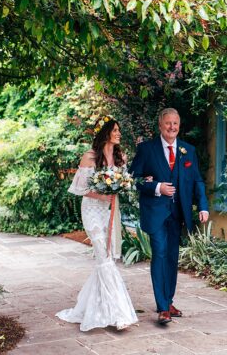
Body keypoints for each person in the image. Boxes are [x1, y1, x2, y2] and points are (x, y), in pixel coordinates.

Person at [56, 116, 138, 331]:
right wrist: (103, 196)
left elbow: (124, 183)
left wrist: (118, 189)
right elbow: (80, 189)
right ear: (105, 133)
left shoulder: (121, 157)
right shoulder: (90, 157)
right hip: (92, 211)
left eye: (119, 130)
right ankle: (120, 314)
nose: (119, 133)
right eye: (115, 130)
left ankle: (93, 307)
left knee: (108, 257)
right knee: (103, 256)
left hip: (110, 211)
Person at [130, 108, 209, 325]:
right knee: (161, 254)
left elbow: (197, 181)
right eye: (168, 123)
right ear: (160, 125)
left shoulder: (188, 150)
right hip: (155, 213)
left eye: (175, 123)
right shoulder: (146, 149)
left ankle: (169, 301)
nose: (172, 127)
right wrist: (157, 187)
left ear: (179, 125)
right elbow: (133, 179)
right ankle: (162, 307)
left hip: (178, 214)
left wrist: (202, 206)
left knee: (173, 259)